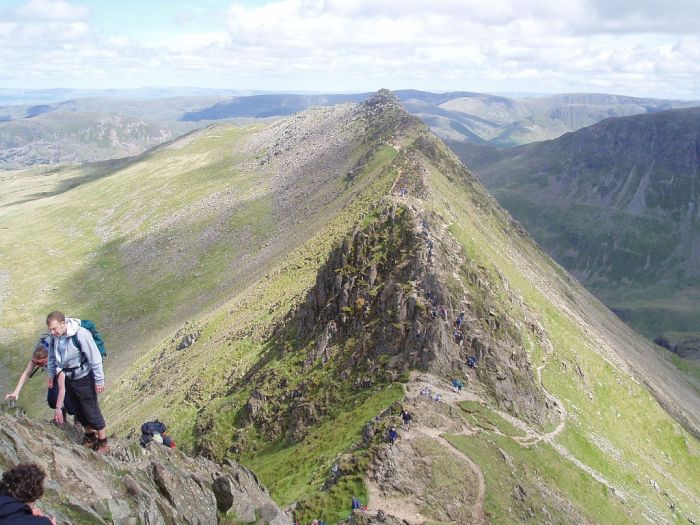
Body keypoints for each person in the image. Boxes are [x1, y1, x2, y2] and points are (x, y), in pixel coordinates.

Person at [46, 311, 109, 454]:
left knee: (91, 409)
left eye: (54, 329)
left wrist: (99, 380)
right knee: (78, 409)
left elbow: (95, 358)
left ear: (63, 324)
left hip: (85, 377)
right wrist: (51, 374)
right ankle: (89, 436)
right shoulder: (54, 337)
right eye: (50, 329)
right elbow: (51, 356)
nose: (52, 332)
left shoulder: (80, 334)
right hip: (69, 377)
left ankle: (103, 442)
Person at [4, 336, 76, 425]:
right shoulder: (36, 357)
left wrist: (58, 408)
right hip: (54, 375)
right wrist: (16, 392)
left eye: (41, 363)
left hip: (70, 374)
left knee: (71, 407)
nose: (38, 365)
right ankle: (62, 414)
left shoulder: (57, 360)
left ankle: (78, 419)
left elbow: (62, 388)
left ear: (48, 357)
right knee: (52, 401)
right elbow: (27, 373)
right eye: (36, 363)